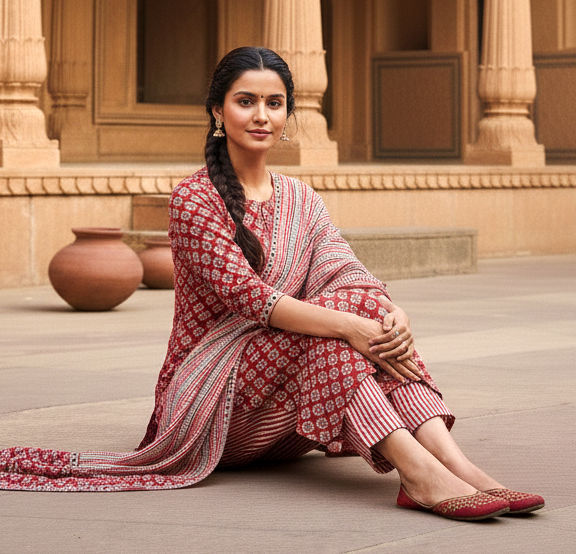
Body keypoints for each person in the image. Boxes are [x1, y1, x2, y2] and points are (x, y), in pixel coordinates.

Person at [0, 47, 544, 518]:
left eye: (274, 103)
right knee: (333, 333)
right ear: (217, 110)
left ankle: (459, 466)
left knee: (355, 304)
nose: (261, 115)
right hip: (217, 404)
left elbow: (345, 269)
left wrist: (390, 315)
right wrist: (353, 327)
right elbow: (253, 300)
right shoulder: (195, 199)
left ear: (287, 113)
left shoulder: (301, 198)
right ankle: (422, 476)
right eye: (246, 101)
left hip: (289, 416)